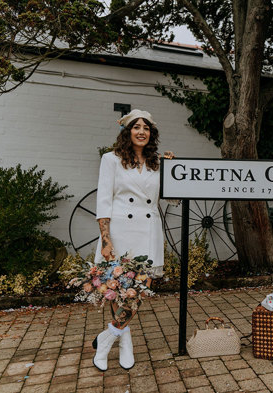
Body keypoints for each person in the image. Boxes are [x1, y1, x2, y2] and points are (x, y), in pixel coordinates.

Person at [91, 109, 173, 372]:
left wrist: (174, 170)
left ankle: (107, 339)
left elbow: (173, 199)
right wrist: (106, 240)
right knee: (117, 290)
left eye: (146, 128)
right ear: (127, 132)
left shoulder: (158, 162)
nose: (141, 132)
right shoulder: (111, 159)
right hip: (119, 232)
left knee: (137, 292)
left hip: (147, 231)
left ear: (151, 133)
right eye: (136, 127)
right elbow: (103, 200)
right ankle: (125, 342)